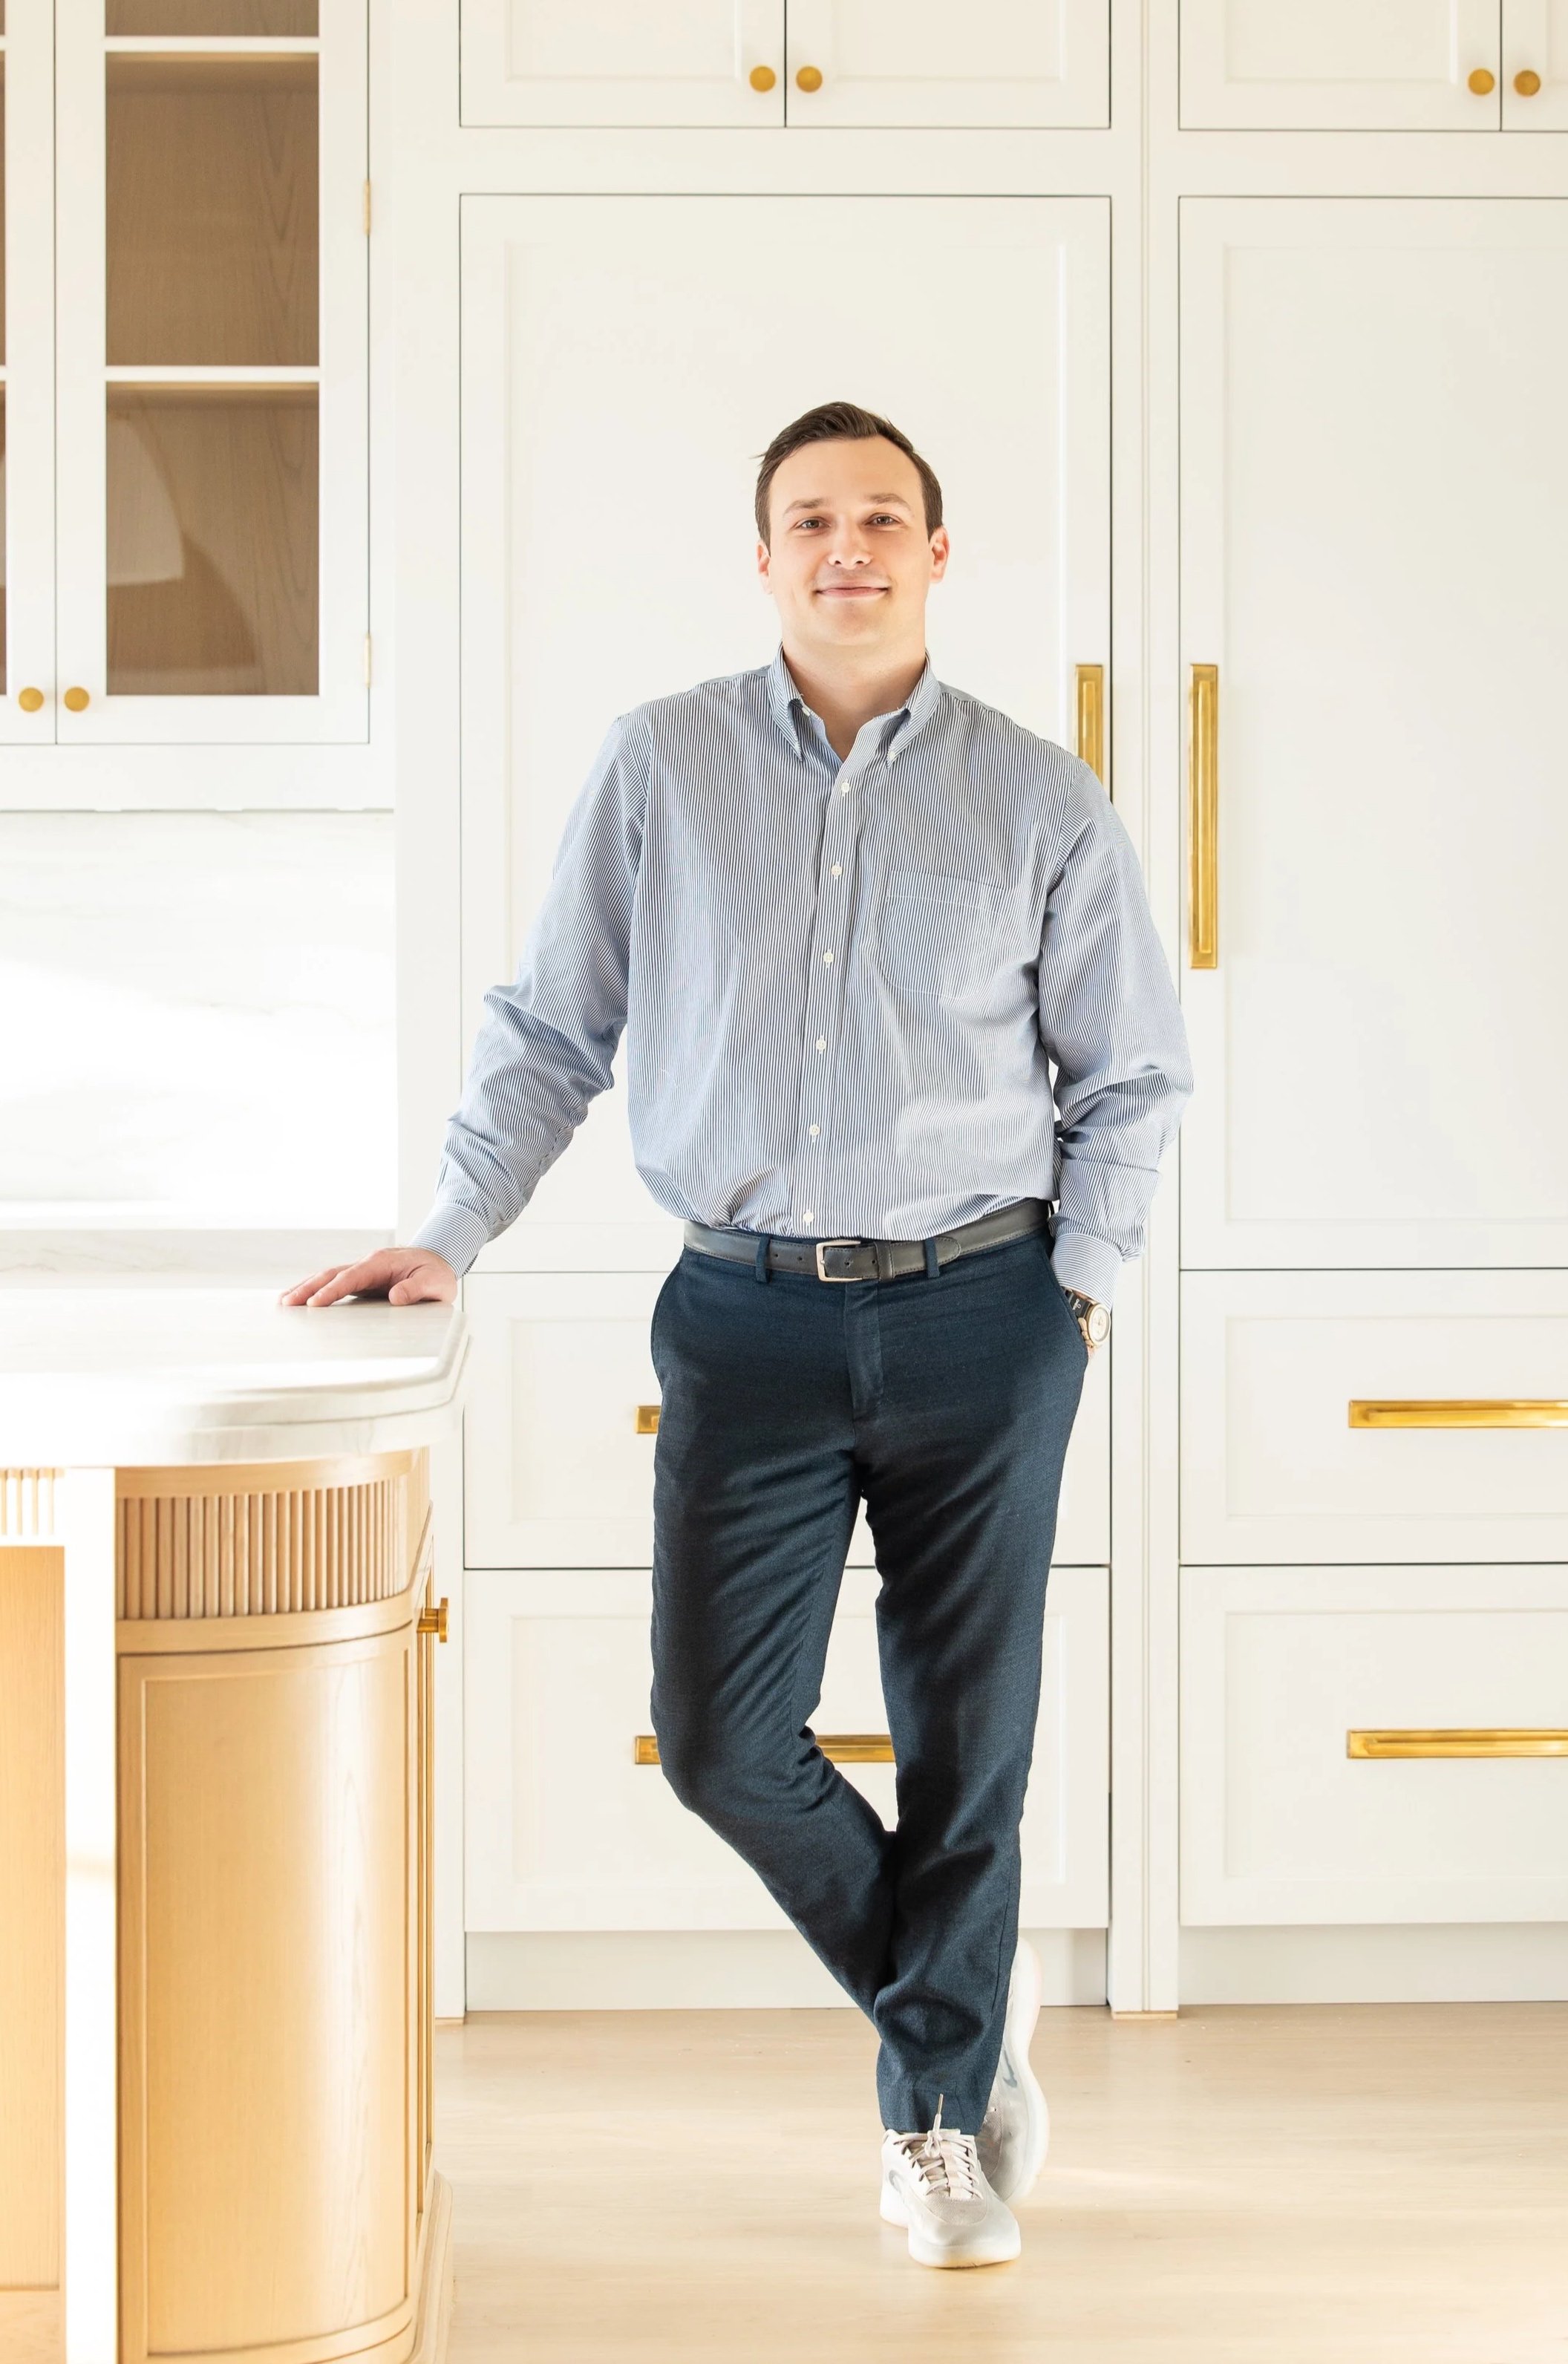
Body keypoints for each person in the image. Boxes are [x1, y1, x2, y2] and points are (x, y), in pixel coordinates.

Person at [281, 398, 1193, 2269]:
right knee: (718, 1736)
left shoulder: (1037, 791)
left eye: (883, 518)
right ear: (763, 556)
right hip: (743, 1313)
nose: (848, 547)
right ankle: (955, 1998)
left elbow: (1132, 1074)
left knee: (969, 1738)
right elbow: (554, 1027)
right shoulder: (663, 763)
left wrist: (1078, 1290)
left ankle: (933, 2124)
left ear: (939, 553)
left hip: (987, 1310)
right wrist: (447, 1231)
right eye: (812, 520)